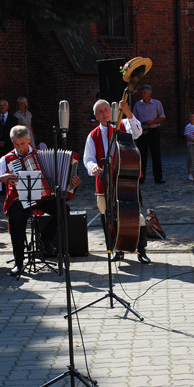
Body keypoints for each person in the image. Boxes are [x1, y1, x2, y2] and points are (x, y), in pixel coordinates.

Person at [0, 126, 60, 277]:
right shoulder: (7, 158)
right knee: (15, 219)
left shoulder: (41, 155)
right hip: (18, 198)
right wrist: (2, 178)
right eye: (16, 144)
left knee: (63, 210)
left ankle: (45, 238)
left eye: (22, 144)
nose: (19, 148)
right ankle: (18, 262)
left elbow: (58, 176)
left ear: (29, 140)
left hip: (41, 198)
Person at [83, 99, 149, 264]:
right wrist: (93, 168)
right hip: (105, 181)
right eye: (100, 111)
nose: (104, 113)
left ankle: (141, 250)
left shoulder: (124, 124)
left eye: (106, 109)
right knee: (108, 216)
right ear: (96, 116)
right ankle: (115, 250)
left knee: (136, 215)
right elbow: (88, 158)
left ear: (111, 111)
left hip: (127, 179)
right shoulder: (93, 136)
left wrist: (127, 112)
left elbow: (138, 132)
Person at [132, 85, 166, 184]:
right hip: (141, 132)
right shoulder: (138, 105)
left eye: (144, 92)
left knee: (156, 154)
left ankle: (158, 177)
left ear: (149, 93)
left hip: (153, 130)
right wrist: (141, 129)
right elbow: (133, 119)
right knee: (141, 155)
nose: (142, 94)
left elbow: (162, 117)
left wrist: (153, 122)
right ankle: (141, 178)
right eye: (142, 92)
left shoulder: (157, 103)